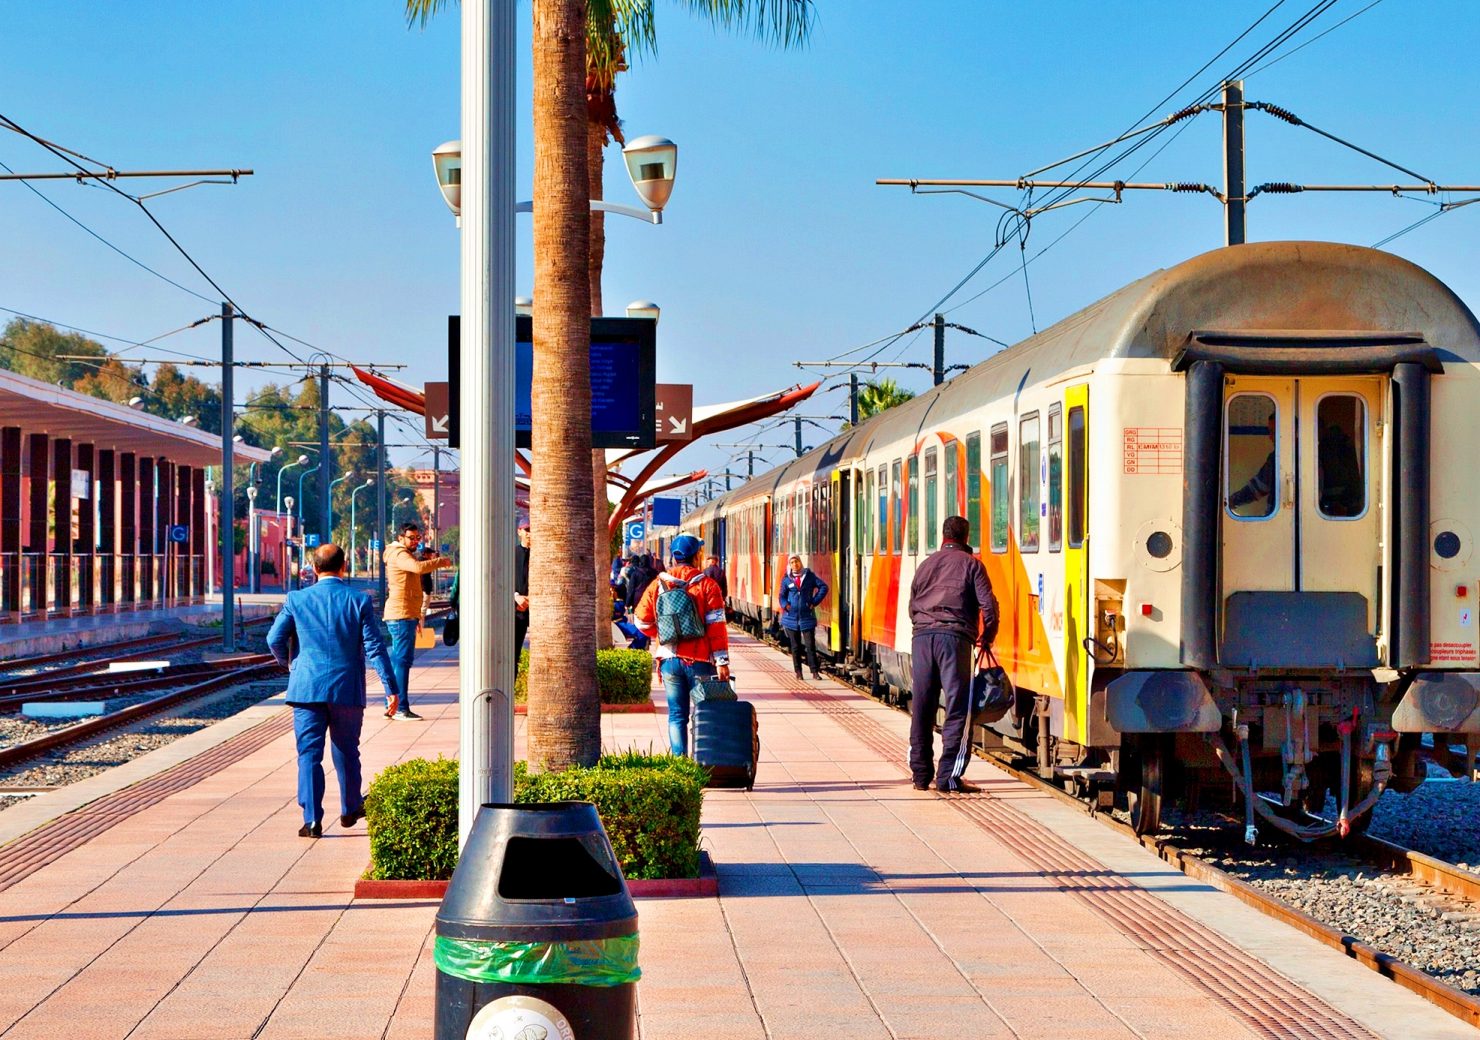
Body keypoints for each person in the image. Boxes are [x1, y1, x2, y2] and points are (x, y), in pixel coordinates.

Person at [267, 543, 397, 838]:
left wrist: (291, 664)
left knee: (309, 754)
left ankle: (312, 820)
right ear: (344, 566)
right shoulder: (358, 600)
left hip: (306, 689)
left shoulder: (296, 599)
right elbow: (375, 646)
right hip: (346, 688)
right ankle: (350, 808)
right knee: (347, 750)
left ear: (314, 568)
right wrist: (391, 687)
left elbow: (274, 638)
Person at [907, 515, 998, 794]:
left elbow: (912, 605)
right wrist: (987, 637)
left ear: (943, 535)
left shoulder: (925, 565)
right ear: (966, 537)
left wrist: (923, 626)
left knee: (922, 706)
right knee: (958, 708)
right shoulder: (973, 565)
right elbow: (989, 608)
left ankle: (920, 776)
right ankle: (948, 778)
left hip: (922, 639)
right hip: (955, 640)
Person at [634, 533, 730, 756]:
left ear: (675, 557)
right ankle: (702, 762)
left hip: (669, 660)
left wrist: (664, 633)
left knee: (677, 715)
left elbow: (641, 620)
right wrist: (722, 661)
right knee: (703, 712)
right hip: (700, 661)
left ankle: (680, 764)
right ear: (697, 556)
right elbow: (716, 628)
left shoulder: (658, 584)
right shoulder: (708, 585)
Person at [382, 521, 451, 721]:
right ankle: (401, 708)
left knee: (400, 661)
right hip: (401, 614)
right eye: (411, 538)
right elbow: (418, 568)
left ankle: (393, 705)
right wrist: (440, 562)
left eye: (417, 538)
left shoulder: (401, 553)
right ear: (400, 538)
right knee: (402, 662)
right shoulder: (400, 554)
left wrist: (418, 616)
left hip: (405, 614)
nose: (415, 542)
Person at [777, 554, 828, 680]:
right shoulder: (787, 579)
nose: (795, 564)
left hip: (807, 617)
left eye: (797, 562)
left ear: (800, 562)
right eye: (792, 562)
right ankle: (798, 672)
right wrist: (785, 606)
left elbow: (823, 587)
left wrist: (814, 601)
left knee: (810, 646)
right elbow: (781, 596)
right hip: (791, 618)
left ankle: (815, 672)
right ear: (790, 564)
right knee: (795, 647)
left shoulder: (809, 576)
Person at [1229, 415, 1276, 515]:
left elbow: (1258, 488)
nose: (1270, 437)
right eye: (1270, 432)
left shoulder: (1276, 458)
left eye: (1274, 432)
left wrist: (1229, 502)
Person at [514, 520, 531, 664]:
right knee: (514, 653)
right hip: (517, 611)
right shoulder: (512, 555)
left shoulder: (543, 556)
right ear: (519, 531)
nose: (529, 534)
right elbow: (504, 581)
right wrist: (516, 597)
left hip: (536, 610)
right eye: (527, 530)